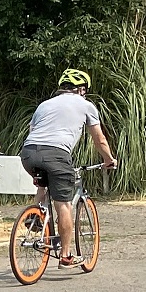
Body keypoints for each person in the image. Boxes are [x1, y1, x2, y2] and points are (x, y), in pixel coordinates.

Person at [20, 68, 118, 266]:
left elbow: (32, 131)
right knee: (63, 204)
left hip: (28, 153)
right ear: (81, 89)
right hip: (56, 154)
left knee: (44, 185)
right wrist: (109, 159)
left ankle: (36, 216)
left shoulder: (44, 105)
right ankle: (66, 255)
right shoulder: (86, 105)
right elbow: (99, 139)